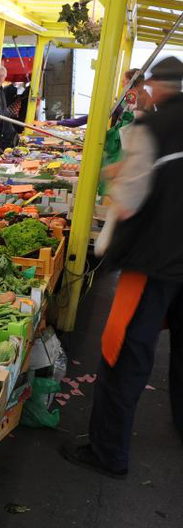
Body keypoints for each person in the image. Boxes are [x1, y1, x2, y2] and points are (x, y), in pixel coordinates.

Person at [61, 56, 183, 478]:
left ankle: (107, 451)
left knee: (124, 353)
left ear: (156, 87)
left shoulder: (153, 127)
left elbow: (130, 200)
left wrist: (114, 178)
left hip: (151, 262)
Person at [47, 69, 150, 128]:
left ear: (130, 82)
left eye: (123, 80)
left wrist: (59, 122)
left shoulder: (132, 96)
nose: (121, 83)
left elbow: (129, 117)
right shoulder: (141, 96)